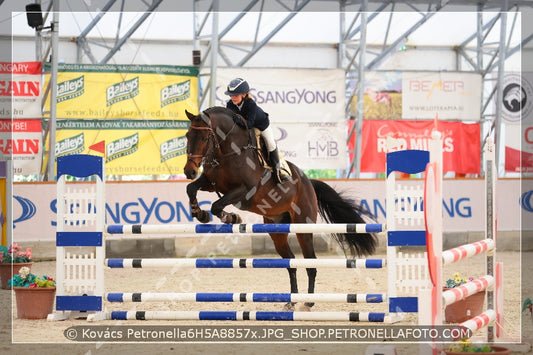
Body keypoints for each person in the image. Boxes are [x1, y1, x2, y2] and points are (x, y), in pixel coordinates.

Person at [224, 77, 288, 183]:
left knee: (271, 144)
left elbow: (249, 124)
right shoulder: (230, 104)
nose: (233, 98)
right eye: (231, 95)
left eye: (235, 95)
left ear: (244, 94)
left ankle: (277, 172)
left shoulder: (251, 104)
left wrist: (236, 119)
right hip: (246, 126)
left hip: (261, 125)